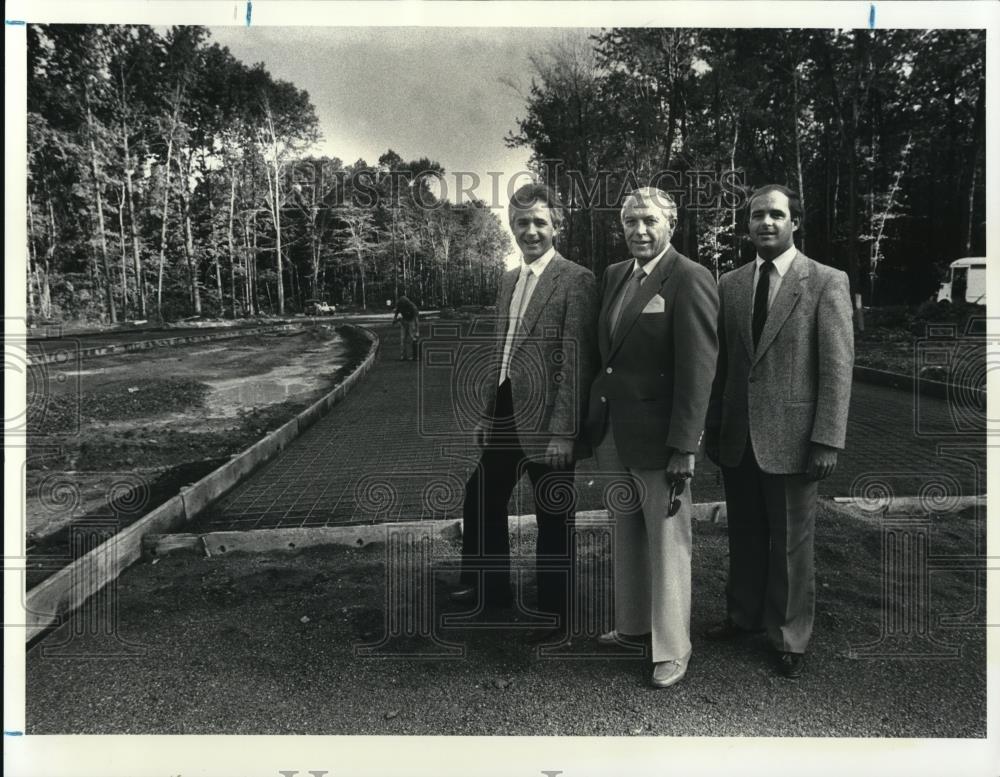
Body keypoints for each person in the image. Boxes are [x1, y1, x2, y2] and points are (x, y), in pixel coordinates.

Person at [704, 184, 854, 679]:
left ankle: (790, 636)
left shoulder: (825, 281)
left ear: (794, 222)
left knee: (791, 541)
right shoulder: (729, 284)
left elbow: (837, 368)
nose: (765, 223)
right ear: (747, 226)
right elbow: (723, 364)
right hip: (738, 436)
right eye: (756, 217)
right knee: (745, 534)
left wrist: (827, 438)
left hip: (795, 438)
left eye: (775, 214)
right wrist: (713, 426)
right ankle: (743, 615)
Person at [451, 183, 598, 643]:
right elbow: (504, 352)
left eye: (540, 222)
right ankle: (491, 591)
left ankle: (556, 614)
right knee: (480, 497)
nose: (530, 231)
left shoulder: (576, 280)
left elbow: (577, 362)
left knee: (553, 516)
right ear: (511, 226)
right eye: (522, 223)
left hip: (551, 424)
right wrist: (486, 413)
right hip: (506, 416)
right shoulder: (509, 281)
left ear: (557, 225)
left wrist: (565, 432)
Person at [584, 187, 719, 688]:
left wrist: (685, 445)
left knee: (667, 541)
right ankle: (635, 625)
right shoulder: (616, 276)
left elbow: (698, 370)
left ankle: (672, 648)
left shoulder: (690, 277)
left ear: (671, 224)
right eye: (630, 223)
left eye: (649, 221)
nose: (639, 231)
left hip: (663, 440)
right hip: (617, 434)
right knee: (627, 534)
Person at [391, 294, 420, 361]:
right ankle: (404, 356)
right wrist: (395, 319)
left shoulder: (413, 307)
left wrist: (417, 331)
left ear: (406, 302)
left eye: (403, 304)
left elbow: (416, 320)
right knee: (403, 339)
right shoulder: (400, 304)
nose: (402, 306)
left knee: (413, 339)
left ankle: (415, 356)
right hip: (404, 321)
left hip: (411, 321)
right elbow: (397, 312)